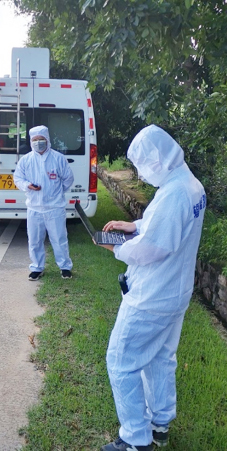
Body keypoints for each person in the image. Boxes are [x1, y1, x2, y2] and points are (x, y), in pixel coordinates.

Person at [96, 125, 206, 451]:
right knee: (160, 357)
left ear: (158, 159)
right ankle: (160, 424)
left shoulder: (175, 193)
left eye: (144, 165)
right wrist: (134, 225)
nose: (142, 173)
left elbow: (151, 248)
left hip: (152, 297)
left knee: (121, 360)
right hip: (175, 292)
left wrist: (115, 246)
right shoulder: (188, 184)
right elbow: (165, 224)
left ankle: (135, 439)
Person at [14, 125, 74, 281]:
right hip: (34, 208)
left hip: (55, 207)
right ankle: (37, 267)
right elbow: (18, 178)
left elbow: (68, 178)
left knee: (59, 239)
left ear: (47, 139)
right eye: (35, 140)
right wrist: (28, 185)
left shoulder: (58, 158)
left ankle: (65, 267)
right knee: (34, 240)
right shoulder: (26, 160)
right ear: (30, 141)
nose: (38, 142)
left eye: (41, 139)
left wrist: (56, 192)